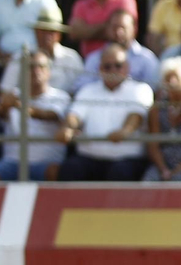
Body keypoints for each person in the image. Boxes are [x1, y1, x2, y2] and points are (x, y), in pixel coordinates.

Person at [56, 43, 154, 181]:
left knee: (120, 173)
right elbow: (75, 115)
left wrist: (125, 131)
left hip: (126, 160)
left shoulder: (140, 89)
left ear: (127, 67)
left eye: (118, 65)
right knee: (70, 169)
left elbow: (136, 115)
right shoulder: (87, 90)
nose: (113, 70)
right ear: (100, 69)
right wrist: (68, 128)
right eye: (108, 66)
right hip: (89, 158)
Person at [0, 52, 71, 181]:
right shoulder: (12, 95)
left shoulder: (60, 97)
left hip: (46, 163)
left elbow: (51, 115)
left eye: (40, 67)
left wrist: (22, 106)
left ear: (49, 71)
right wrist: (4, 107)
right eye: (30, 67)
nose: (36, 71)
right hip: (13, 162)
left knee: (55, 173)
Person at [0, 9, 83, 97]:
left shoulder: (71, 58)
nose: (47, 36)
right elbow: (6, 90)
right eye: (43, 31)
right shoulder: (21, 56)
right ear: (35, 32)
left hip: (63, 108)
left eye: (51, 31)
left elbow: (80, 91)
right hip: (26, 107)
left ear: (59, 35)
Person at [78, 10, 160, 87]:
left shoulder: (147, 59)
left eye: (123, 28)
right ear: (107, 29)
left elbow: (155, 90)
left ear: (134, 29)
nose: (118, 32)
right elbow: (83, 87)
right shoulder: (94, 59)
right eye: (114, 28)